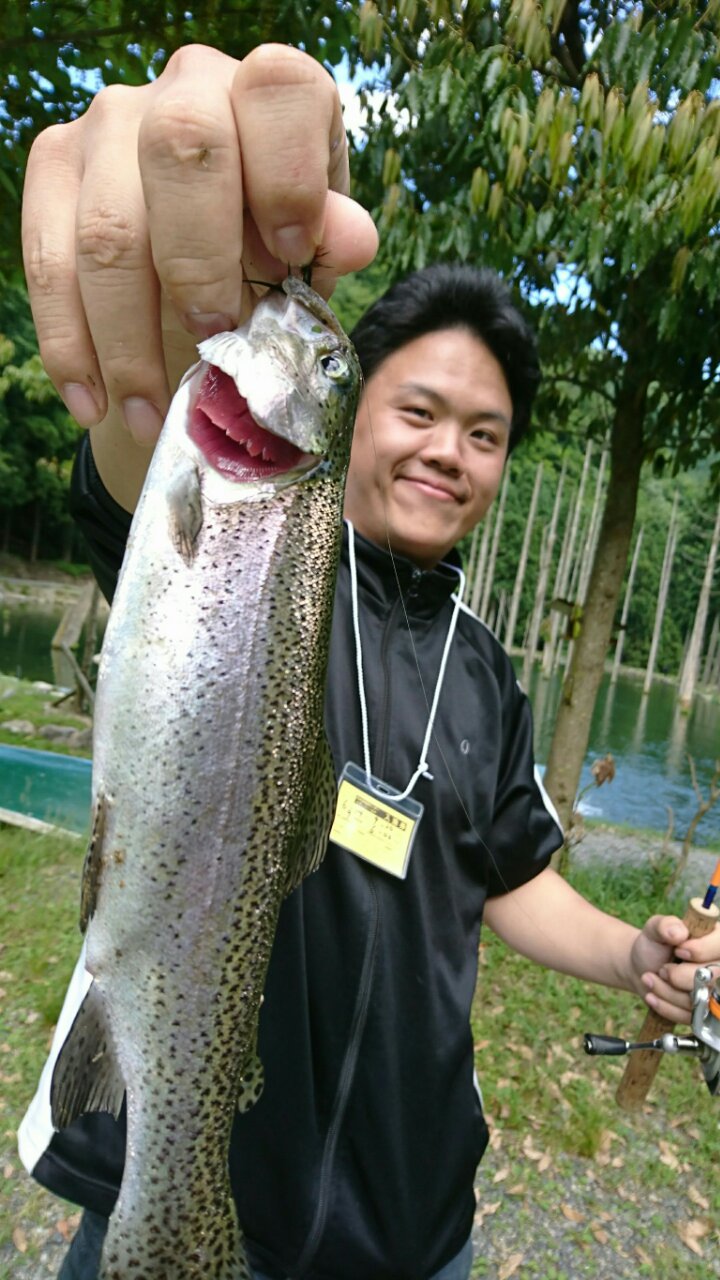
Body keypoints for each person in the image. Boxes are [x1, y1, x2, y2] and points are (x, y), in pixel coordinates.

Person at [18, 44, 720, 1280]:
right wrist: (169, 345)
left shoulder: (487, 672)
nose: (449, 449)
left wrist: (634, 953)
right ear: (349, 423)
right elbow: (140, 492)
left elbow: (505, 875)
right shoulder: (261, 555)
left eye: (487, 433)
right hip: (169, 1167)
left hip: (407, 1228)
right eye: (411, 406)